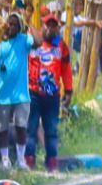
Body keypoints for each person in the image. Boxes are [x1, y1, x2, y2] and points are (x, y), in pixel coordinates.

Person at [26, 12, 73, 171]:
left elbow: (66, 69)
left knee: (51, 129)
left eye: (54, 26)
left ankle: (52, 161)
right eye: (47, 25)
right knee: (30, 128)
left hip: (53, 95)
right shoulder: (32, 42)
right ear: (42, 26)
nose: (50, 29)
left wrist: (69, 90)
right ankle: (29, 161)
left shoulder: (61, 46)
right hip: (33, 93)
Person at [0, 12, 35, 169]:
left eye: (15, 24)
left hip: (20, 94)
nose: (11, 27)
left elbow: (38, 41)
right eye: (9, 23)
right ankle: (5, 160)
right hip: (0, 93)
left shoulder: (23, 40)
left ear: (20, 27)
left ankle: (21, 160)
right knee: (1, 129)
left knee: (20, 127)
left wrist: (29, 25)